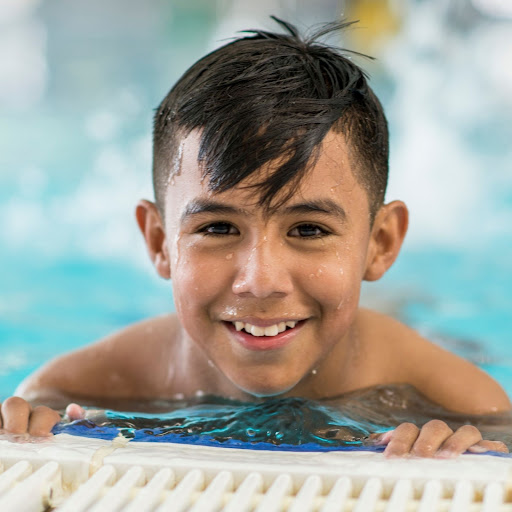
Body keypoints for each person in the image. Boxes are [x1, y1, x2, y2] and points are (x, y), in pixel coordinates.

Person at [2, 18, 510, 457]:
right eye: (217, 228)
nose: (260, 281)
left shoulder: (462, 403)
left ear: (381, 243)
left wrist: (468, 454)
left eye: (309, 229)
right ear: (159, 241)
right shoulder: (71, 390)